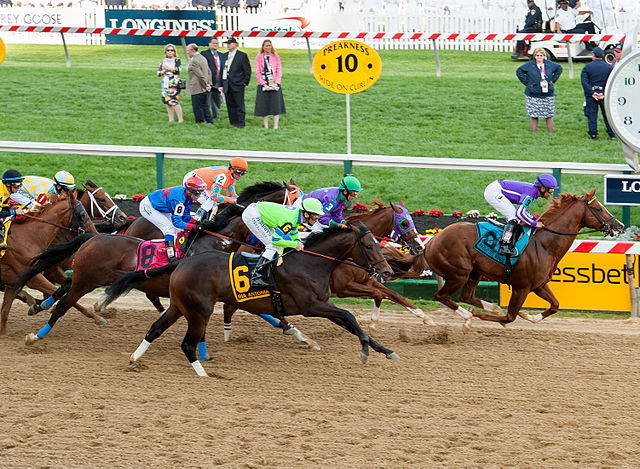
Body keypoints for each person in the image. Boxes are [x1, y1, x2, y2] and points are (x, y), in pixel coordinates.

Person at [241, 197, 324, 286]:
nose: (317, 219)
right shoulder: (290, 219)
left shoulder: (297, 215)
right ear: (307, 214)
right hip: (252, 215)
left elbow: (294, 231)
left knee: (278, 245)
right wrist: (294, 244)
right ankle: (256, 276)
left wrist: (297, 240)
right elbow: (275, 240)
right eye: (315, 216)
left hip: (258, 212)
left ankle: (268, 267)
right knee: (272, 245)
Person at [484, 174, 557, 257]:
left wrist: (534, 219)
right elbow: (519, 213)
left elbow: (524, 211)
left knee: (515, 218)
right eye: (550, 190)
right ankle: (504, 246)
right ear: (543, 188)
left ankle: (507, 239)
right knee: (513, 218)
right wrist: (535, 224)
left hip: (495, 189)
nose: (551, 193)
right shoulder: (530, 193)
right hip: (494, 192)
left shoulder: (533, 192)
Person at [139, 175, 207, 262]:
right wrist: (194, 227)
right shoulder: (179, 200)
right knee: (169, 229)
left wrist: (197, 223)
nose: (199, 196)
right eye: (197, 193)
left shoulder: (188, 197)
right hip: (148, 206)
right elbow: (177, 222)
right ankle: (170, 257)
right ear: (189, 191)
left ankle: (178, 252)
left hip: (161, 207)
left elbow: (185, 216)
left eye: (200, 193)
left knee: (178, 230)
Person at [182, 157, 248, 220]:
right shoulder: (222, 176)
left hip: (205, 184)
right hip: (193, 180)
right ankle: (196, 221)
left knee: (216, 204)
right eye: (238, 172)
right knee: (210, 201)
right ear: (230, 169)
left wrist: (243, 200)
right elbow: (215, 196)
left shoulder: (232, 178)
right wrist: (231, 200)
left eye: (243, 173)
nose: (240, 175)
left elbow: (232, 196)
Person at [516, 48, 563, 133]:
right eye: (537, 55)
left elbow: (559, 68)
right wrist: (527, 83)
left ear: (544, 56)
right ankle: (534, 132)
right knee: (534, 115)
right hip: (533, 93)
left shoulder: (550, 65)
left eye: (541, 55)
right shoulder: (530, 65)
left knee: (548, 115)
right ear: (535, 56)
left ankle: (550, 133)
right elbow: (519, 71)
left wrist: (553, 79)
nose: (539, 57)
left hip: (547, 93)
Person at [581, 47, 615, 140]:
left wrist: (592, 93)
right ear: (603, 55)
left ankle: (593, 134)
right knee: (607, 115)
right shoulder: (609, 67)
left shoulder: (587, 67)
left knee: (592, 114)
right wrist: (603, 93)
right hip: (604, 95)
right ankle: (611, 133)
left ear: (593, 55)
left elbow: (584, 82)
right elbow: (611, 81)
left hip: (591, 95)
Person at [254, 40, 286, 129]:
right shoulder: (258, 57)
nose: (268, 47)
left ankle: (276, 125)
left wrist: (276, 84)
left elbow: (279, 71)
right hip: (263, 84)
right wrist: (264, 85)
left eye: (269, 45)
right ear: (263, 47)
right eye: (266, 45)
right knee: (264, 105)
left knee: (276, 105)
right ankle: (266, 126)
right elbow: (257, 72)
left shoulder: (276, 57)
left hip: (274, 84)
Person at [220, 37, 251, 128]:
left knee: (239, 104)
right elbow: (222, 70)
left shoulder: (242, 55)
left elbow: (247, 70)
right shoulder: (224, 55)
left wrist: (244, 82)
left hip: (238, 84)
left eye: (230, 43)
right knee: (230, 104)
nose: (228, 45)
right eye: (227, 43)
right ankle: (233, 122)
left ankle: (241, 123)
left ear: (235, 44)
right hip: (227, 83)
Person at [12, 170, 77, 211]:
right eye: (67, 189)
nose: (68, 192)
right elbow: (37, 207)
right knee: (35, 207)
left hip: (27, 186)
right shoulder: (45, 192)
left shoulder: (55, 187)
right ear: (58, 186)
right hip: (18, 189)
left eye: (70, 189)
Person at [186, 43, 214, 124]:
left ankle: (200, 122)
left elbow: (200, 75)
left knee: (197, 107)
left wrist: (206, 85)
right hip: (204, 87)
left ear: (193, 50)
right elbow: (209, 72)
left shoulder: (195, 61)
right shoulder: (203, 58)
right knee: (205, 106)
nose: (187, 52)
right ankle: (209, 121)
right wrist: (209, 84)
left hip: (197, 87)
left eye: (188, 50)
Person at [0, 169, 26, 252]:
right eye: (16, 185)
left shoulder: (6, 190)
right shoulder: (1, 193)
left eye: (20, 185)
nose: (18, 188)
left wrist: (12, 208)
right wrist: (13, 212)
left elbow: (3, 208)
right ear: (8, 184)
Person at [157, 44, 184, 123]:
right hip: (165, 82)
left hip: (174, 83)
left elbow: (178, 71)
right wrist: (165, 70)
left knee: (175, 100)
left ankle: (180, 119)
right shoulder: (163, 61)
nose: (170, 52)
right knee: (167, 101)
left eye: (172, 50)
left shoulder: (177, 61)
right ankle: (171, 119)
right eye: (168, 50)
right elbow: (158, 73)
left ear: (174, 52)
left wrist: (168, 68)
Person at [200, 37, 224, 121]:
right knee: (207, 99)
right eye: (213, 43)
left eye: (216, 43)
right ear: (209, 44)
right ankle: (207, 116)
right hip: (208, 80)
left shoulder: (221, 55)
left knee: (217, 99)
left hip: (218, 80)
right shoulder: (204, 54)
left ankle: (216, 116)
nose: (215, 44)